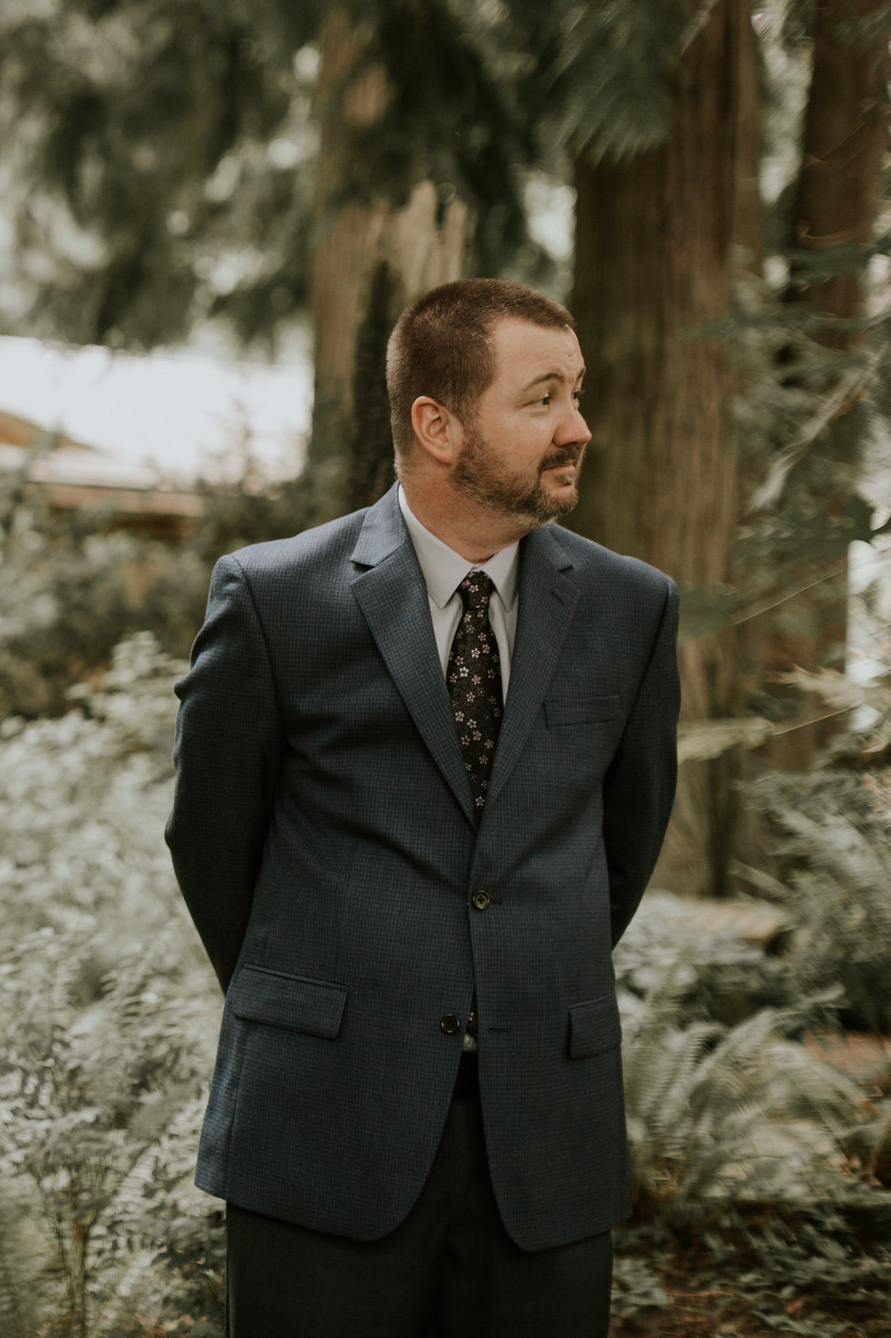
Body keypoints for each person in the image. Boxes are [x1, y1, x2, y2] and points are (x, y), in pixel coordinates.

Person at [168, 279, 679, 1336]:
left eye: (577, 394)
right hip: (320, 1128)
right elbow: (211, 841)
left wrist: (509, 977)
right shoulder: (274, 597)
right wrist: (332, 994)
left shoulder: (632, 607)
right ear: (436, 424)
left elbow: (624, 841)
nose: (577, 426)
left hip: (543, 1134)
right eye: (541, 398)